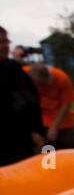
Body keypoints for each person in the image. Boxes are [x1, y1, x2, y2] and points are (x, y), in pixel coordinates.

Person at [0, 26, 43, 166]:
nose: (6, 46)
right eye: (1, 42)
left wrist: (36, 130)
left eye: (7, 41)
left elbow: (30, 103)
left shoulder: (13, 69)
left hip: (19, 141)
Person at [25, 63, 74, 149]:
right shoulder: (23, 73)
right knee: (47, 149)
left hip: (64, 120)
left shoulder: (61, 78)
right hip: (41, 119)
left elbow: (66, 104)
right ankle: (49, 161)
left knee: (73, 146)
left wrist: (54, 127)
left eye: (45, 84)